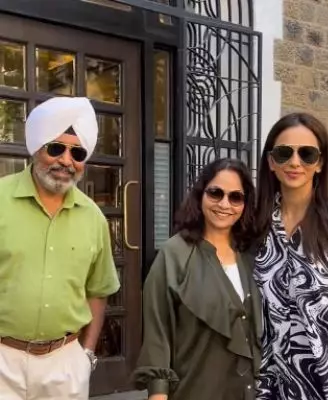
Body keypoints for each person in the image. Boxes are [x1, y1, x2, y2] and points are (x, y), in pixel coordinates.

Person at [0, 97, 120, 399]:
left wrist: (86, 354)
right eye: (56, 148)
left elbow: (98, 290)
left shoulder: (93, 217)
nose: (66, 160)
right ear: (37, 148)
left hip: (64, 363)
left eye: (77, 153)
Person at [133, 159, 262, 400]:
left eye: (235, 197)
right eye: (215, 193)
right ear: (200, 194)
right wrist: (158, 393)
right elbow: (157, 333)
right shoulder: (175, 254)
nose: (224, 204)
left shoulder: (253, 256)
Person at [254, 113, 328, 399]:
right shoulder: (254, 227)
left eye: (307, 154)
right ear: (271, 162)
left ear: (320, 163)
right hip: (266, 384)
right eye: (284, 153)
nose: (295, 162)